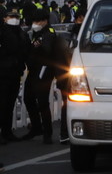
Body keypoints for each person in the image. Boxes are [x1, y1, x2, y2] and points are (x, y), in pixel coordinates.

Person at [23, 9, 65, 144]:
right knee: (28, 98)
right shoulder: (38, 33)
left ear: (45, 21)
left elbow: (46, 51)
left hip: (44, 70)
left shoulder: (49, 34)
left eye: (37, 21)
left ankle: (47, 132)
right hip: (34, 70)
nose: (35, 24)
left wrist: (37, 47)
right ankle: (36, 126)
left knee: (42, 102)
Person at [0, 9, 29, 143]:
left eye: (16, 16)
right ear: (5, 18)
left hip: (15, 73)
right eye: (11, 16)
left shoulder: (21, 33)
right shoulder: (2, 32)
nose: (14, 19)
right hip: (3, 73)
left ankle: (7, 132)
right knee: (2, 104)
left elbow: (24, 51)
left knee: (10, 104)